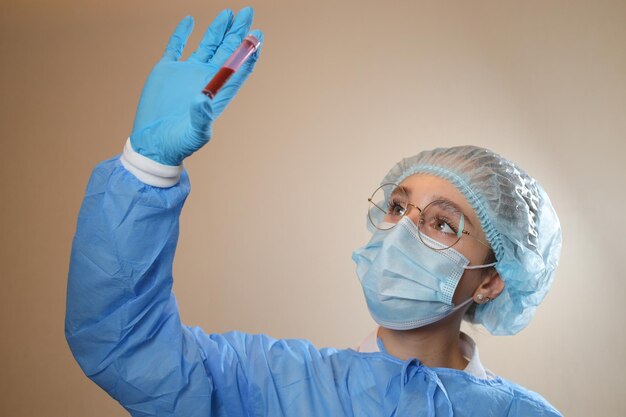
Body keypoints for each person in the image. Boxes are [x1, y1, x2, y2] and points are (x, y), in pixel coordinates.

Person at [65, 6, 563, 417]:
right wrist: (147, 166)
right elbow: (125, 346)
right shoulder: (273, 386)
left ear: (492, 281)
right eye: (396, 207)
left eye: (441, 222)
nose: (402, 232)